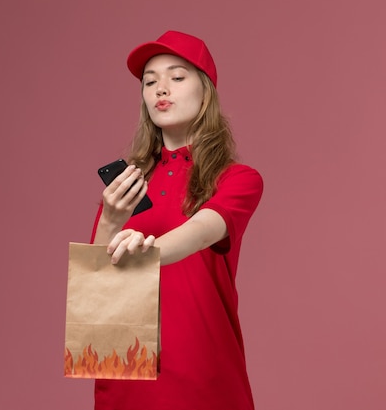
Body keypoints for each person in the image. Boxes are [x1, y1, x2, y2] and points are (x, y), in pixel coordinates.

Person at [89, 30, 263, 410]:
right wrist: (111, 220)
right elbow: (97, 281)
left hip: (202, 368)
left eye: (177, 77)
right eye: (149, 82)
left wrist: (146, 250)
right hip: (125, 370)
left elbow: (203, 230)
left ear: (206, 91)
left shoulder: (237, 178)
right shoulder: (126, 184)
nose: (160, 89)